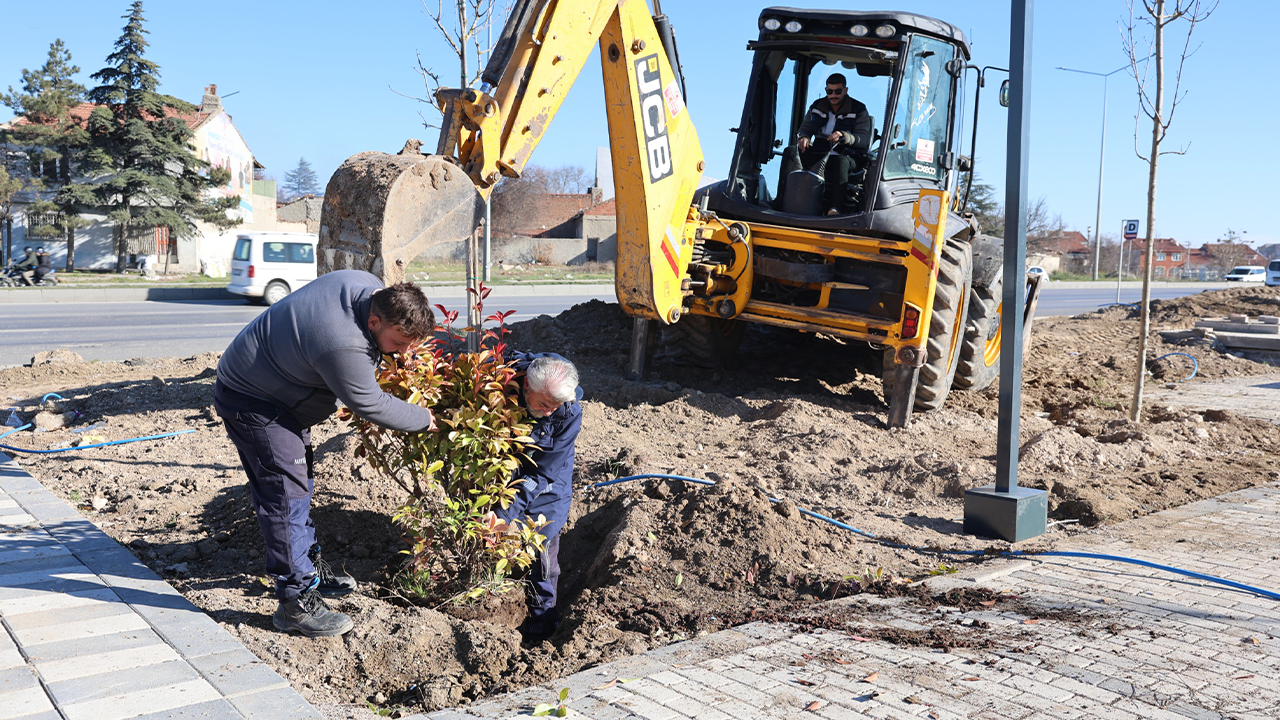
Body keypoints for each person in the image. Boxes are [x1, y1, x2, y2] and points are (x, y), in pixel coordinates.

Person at [214, 269, 438, 637]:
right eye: (399, 342)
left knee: (298, 485)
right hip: (254, 400)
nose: (405, 352)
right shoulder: (342, 343)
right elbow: (369, 401)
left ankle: (308, 567)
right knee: (285, 494)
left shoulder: (363, 284)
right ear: (374, 320)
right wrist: (422, 417)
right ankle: (295, 602)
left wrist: (397, 347)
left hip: (278, 390)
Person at [498, 352, 583, 643]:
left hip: (549, 485)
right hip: (502, 477)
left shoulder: (569, 411)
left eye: (554, 406)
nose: (549, 412)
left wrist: (503, 513)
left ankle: (542, 617)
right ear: (526, 388)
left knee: (542, 551)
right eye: (544, 404)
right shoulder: (500, 384)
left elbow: (544, 473)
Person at [783, 73, 873, 215]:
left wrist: (844, 136)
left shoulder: (859, 110)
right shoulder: (817, 106)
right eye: (829, 92)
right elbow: (805, 127)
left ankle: (836, 207)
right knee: (790, 152)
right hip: (820, 153)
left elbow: (863, 139)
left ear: (845, 90)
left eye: (837, 91)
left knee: (841, 162)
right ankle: (781, 199)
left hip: (847, 154)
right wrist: (804, 137)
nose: (833, 95)